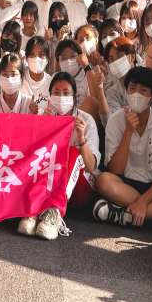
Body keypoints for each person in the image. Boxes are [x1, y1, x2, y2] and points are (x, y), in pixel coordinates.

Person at [93, 66, 152, 233]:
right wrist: (128, 132)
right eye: (132, 88)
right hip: (125, 185)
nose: (136, 94)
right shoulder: (115, 120)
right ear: (126, 91)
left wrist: (143, 202)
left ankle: (122, 214)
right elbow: (115, 170)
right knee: (103, 181)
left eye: (143, 91)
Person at [21, 71, 101, 240]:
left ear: (74, 97)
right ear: (50, 96)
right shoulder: (46, 117)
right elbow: (32, 158)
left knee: (72, 153)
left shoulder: (85, 121)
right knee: (42, 155)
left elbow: (92, 166)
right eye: (56, 93)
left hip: (79, 187)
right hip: (49, 184)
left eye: (66, 93)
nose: (61, 97)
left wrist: (81, 139)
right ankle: (34, 210)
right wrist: (44, 128)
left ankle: (54, 212)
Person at [95, 38, 152, 124]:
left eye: (119, 56)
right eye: (111, 59)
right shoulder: (113, 92)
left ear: (132, 57)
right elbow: (109, 122)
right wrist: (100, 89)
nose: (115, 62)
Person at [21, 37, 52, 108]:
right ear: (26, 58)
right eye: (32, 55)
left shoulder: (51, 83)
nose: (36, 59)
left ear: (47, 59)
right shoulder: (19, 77)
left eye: (41, 55)